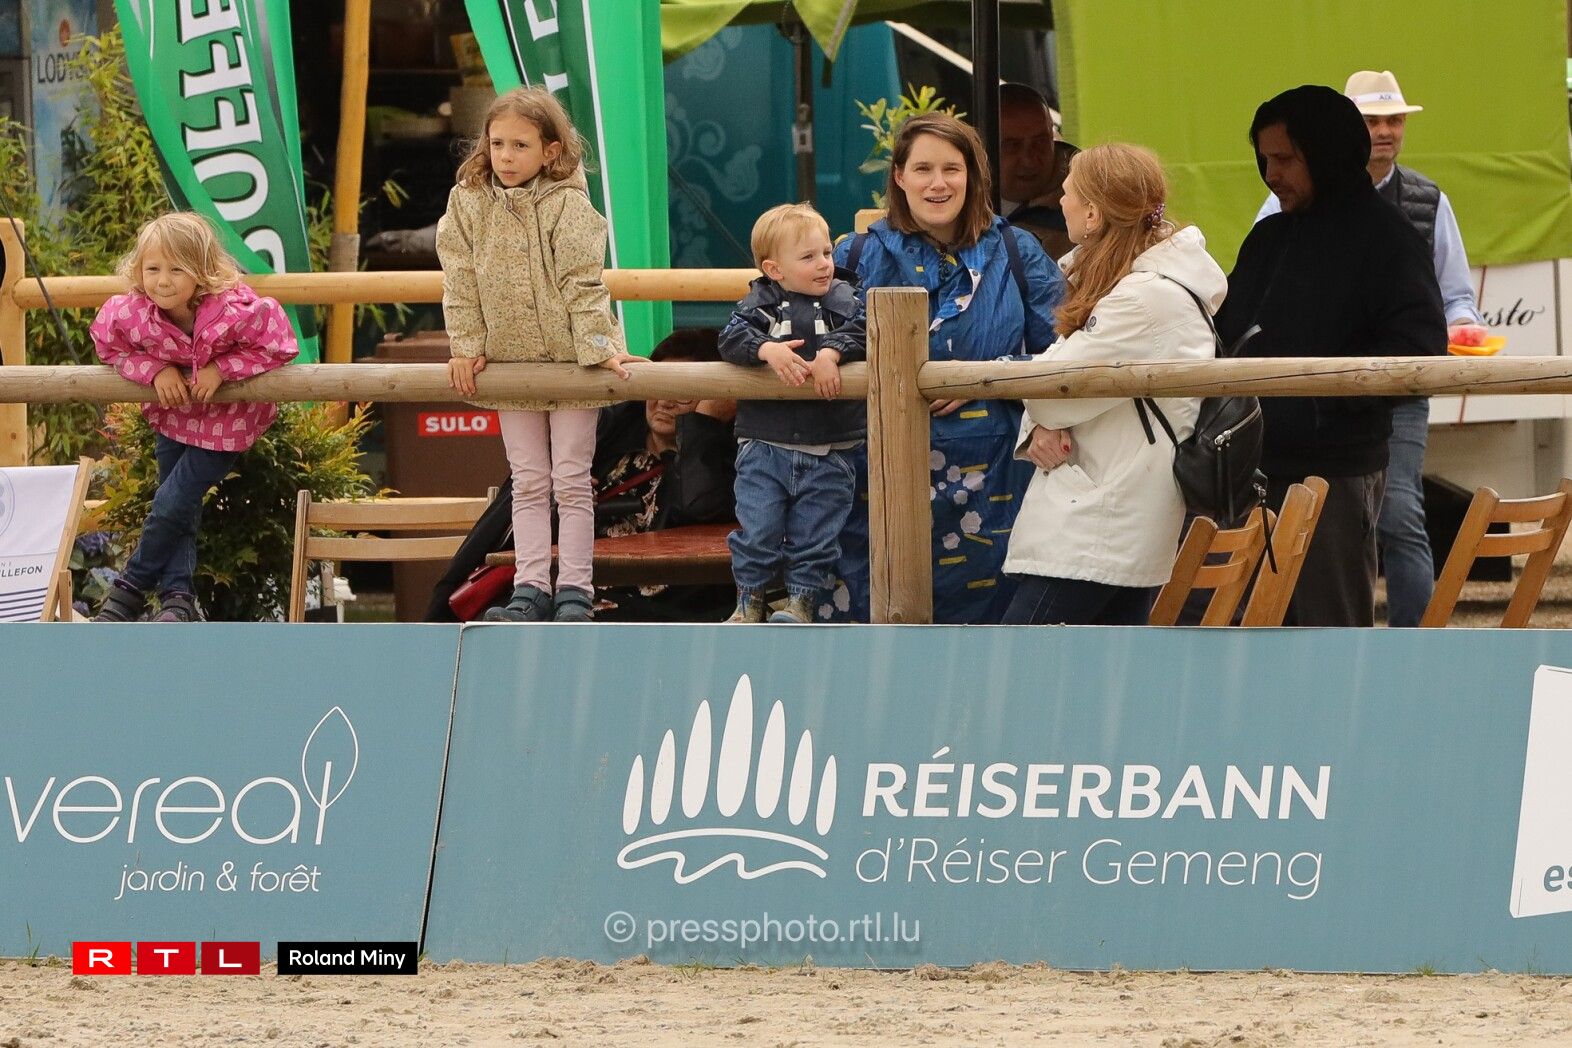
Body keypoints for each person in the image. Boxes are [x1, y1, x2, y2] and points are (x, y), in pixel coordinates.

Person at [1254, 71, 1484, 627]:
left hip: (1348, 451)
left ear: (1325, 151)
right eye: (1265, 160)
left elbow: (1433, 323)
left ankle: (1412, 650)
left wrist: (1333, 400)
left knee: (1393, 525)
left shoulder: (1399, 227)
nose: (1272, 173)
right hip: (1271, 453)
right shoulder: (1273, 228)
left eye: (1284, 159)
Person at [833, 112, 1065, 623]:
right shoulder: (856, 254)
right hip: (877, 482)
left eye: (951, 169)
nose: (938, 183)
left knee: (991, 643)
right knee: (877, 640)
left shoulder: (1016, 250)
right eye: (923, 169)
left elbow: (1066, 353)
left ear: (972, 175)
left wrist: (986, 375)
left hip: (995, 485)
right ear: (899, 176)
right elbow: (820, 345)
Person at [436, 85, 637, 624]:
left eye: (520, 145)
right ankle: (528, 588)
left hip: (572, 364)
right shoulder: (467, 201)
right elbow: (459, 278)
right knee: (527, 480)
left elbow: (583, 282)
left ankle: (574, 589)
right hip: (510, 365)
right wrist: (466, 347)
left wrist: (601, 349)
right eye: (497, 143)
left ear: (551, 150)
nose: (506, 156)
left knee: (571, 478)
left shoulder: (569, 204)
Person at [1003, 145, 1225, 625]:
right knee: (1109, 669)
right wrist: (1039, 420)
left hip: (1098, 520)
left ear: (1093, 213)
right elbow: (1057, 381)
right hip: (1114, 509)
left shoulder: (1142, 299)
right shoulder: (1143, 286)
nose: (1059, 201)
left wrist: (1040, 415)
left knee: (1017, 660)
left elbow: (1051, 388)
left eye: (1067, 193)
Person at [425, 329, 740, 624]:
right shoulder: (605, 436)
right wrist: (556, 501)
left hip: (663, 606)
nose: (665, 401)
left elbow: (701, 506)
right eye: (658, 387)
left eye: (683, 393)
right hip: (565, 588)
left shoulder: (727, 455)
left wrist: (704, 425)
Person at [89, 212, 299, 622]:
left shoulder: (236, 310)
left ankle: (128, 590)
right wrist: (155, 370)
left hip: (225, 423)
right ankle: (177, 599)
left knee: (171, 501)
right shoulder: (130, 312)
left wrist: (222, 369)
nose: (162, 281)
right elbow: (108, 345)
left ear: (201, 272)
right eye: (153, 269)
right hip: (173, 416)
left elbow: (279, 345)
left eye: (176, 270)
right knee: (179, 506)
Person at [718, 203, 866, 624]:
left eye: (827, 253)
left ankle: (801, 603)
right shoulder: (759, 304)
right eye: (809, 257)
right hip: (765, 444)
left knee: (816, 536)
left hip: (831, 447)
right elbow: (729, 337)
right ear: (774, 269)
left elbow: (869, 331)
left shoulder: (847, 300)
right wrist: (766, 349)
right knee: (757, 530)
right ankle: (748, 602)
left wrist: (832, 353)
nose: (824, 264)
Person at [999, 83, 1081, 260]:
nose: (1028, 159)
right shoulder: (954, 197)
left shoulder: (1086, 206)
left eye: (1040, 142)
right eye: (1012, 146)